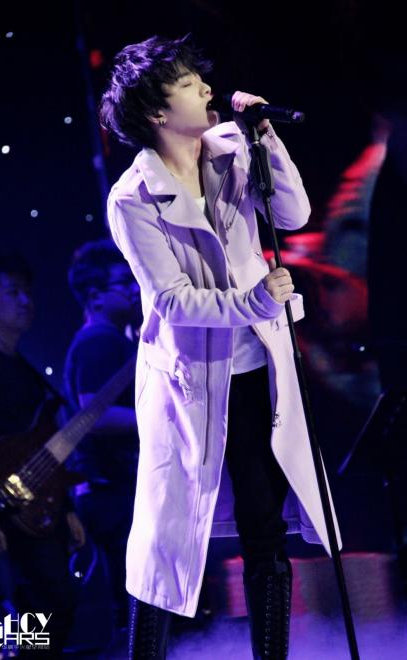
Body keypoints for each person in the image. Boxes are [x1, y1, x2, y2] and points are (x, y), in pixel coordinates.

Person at [99, 34, 341, 659]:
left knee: (265, 526)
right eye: (188, 83)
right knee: (167, 541)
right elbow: (173, 300)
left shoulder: (235, 149)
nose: (207, 88)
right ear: (157, 112)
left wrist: (266, 138)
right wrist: (254, 301)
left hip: (257, 366)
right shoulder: (132, 198)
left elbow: (293, 214)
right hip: (189, 381)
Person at [0, 250, 84, 657]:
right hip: (5, 513)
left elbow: (47, 448)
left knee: (53, 602)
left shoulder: (26, 371)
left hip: (39, 507)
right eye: (13, 292)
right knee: (48, 599)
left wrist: (66, 507)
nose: (25, 301)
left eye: (28, 292)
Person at [63, 239, 141, 652]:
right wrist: (159, 421)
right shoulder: (100, 342)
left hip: (109, 490)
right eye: (123, 282)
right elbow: (94, 414)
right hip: (112, 491)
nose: (133, 288)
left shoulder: (106, 339)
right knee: (134, 599)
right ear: (95, 296)